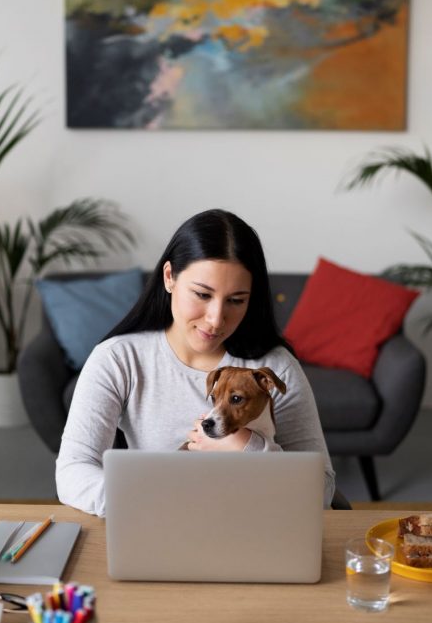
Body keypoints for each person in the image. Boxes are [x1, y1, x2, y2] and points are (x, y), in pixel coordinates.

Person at [56, 208, 336, 514]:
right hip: (158, 525)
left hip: (254, 531)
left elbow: (321, 490)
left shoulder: (274, 366)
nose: (216, 319)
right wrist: (158, 504)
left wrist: (246, 445)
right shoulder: (118, 359)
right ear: (169, 278)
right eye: (202, 294)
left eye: (236, 300)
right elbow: (72, 473)